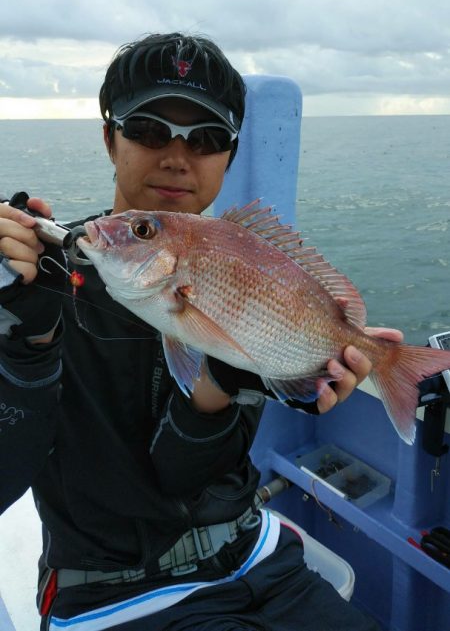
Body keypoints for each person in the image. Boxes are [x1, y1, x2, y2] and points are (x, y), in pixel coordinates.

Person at [0, 33, 402, 631]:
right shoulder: (37, 278)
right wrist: (23, 342)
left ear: (230, 157)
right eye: (149, 129)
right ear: (110, 138)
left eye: (208, 138)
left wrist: (226, 384)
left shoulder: (244, 274)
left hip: (259, 556)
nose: (176, 156)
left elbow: (189, 475)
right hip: (113, 595)